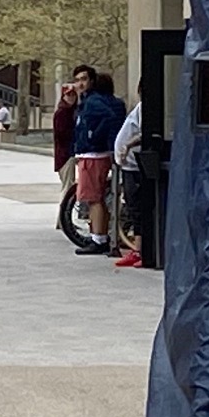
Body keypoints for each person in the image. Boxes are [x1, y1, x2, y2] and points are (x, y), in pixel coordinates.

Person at [72, 71, 126, 257]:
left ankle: (98, 238)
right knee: (97, 197)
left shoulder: (93, 102)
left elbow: (108, 118)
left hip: (93, 153)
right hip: (100, 151)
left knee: (94, 198)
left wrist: (93, 135)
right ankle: (100, 236)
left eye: (83, 80)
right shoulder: (109, 101)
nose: (80, 84)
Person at [111, 87, 147, 269]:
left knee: (137, 207)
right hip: (128, 164)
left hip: (134, 164)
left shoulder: (148, 108)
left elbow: (145, 132)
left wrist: (128, 145)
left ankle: (141, 250)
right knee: (133, 206)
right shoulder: (140, 107)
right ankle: (138, 249)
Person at [52, 73, 82, 230]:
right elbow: (61, 135)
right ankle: (63, 220)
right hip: (66, 155)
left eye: (73, 95)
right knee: (67, 186)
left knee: (67, 186)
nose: (71, 98)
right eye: (68, 95)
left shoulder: (71, 112)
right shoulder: (63, 113)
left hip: (68, 154)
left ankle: (62, 220)